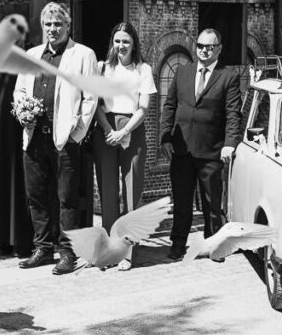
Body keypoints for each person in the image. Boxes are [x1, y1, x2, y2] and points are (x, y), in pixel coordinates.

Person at [13, 1, 98, 275]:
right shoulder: (32, 54)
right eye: (48, 24)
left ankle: (67, 253)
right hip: (35, 136)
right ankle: (43, 248)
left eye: (58, 24)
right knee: (36, 195)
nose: (53, 29)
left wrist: (77, 133)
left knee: (66, 199)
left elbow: (91, 97)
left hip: (65, 139)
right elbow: (20, 92)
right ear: (42, 26)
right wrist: (22, 113)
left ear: (68, 26)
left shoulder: (83, 55)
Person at [159, 28, 242, 260]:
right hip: (182, 149)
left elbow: (233, 114)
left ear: (219, 49)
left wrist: (230, 143)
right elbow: (169, 106)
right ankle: (177, 243)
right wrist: (165, 135)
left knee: (212, 203)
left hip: (212, 150)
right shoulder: (183, 72)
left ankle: (214, 245)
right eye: (200, 46)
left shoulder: (229, 76)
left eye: (210, 47)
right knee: (182, 202)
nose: (204, 50)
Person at [92, 21, 155, 270]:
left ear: (134, 44)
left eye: (126, 41)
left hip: (133, 129)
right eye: (117, 41)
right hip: (106, 129)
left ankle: (127, 251)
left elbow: (144, 108)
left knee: (132, 193)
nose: (121, 46)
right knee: (107, 192)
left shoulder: (143, 69)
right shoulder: (102, 68)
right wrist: (110, 131)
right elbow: (94, 104)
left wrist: (125, 131)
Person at [0, 65, 33, 257]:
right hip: (0, 127)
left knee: (23, 179)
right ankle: (0, 237)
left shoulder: (30, 55)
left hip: (24, 126)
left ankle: (23, 238)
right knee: (0, 179)